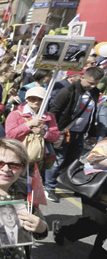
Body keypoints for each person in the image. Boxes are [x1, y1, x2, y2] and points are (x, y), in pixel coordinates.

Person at [45, 66, 105, 202]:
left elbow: (93, 114)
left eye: (95, 83)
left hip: (80, 133)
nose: (92, 86)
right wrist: (54, 130)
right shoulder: (68, 91)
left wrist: (92, 133)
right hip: (64, 131)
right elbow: (55, 111)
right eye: (90, 83)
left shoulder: (94, 92)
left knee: (73, 161)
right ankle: (49, 187)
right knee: (57, 160)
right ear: (82, 77)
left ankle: (68, 183)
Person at [5, 86, 60, 168]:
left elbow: (55, 136)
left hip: (38, 158)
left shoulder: (49, 117)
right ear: (26, 99)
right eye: (33, 99)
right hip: (16, 156)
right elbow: (10, 135)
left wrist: (44, 132)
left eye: (40, 99)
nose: (36, 102)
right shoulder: (15, 114)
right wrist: (28, 125)